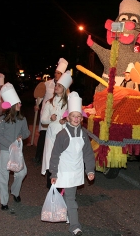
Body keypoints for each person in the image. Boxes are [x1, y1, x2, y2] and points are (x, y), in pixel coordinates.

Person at [49, 91, 95, 236]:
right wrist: (54, 173)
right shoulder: (62, 135)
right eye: (73, 116)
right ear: (68, 117)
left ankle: (66, 211)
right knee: (71, 199)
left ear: (82, 118)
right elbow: (55, 155)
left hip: (76, 171)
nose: (76, 119)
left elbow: (87, 153)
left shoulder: (84, 134)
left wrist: (90, 170)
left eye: (78, 116)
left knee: (69, 197)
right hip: (65, 171)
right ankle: (75, 226)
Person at [0, 82, 30, 210]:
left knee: (21, 173)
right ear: (12, 105)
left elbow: (27, 133)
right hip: (5, 151)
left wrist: (22, 136)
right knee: (3, 176)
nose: (20, 105)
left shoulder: (22, 119)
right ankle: (4, 201)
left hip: (17, 152)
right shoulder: (2, 119)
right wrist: (11, 145)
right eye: (18, 103)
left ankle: (15, 191)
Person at [33, 58, 68, 164]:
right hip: (46, 114)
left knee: (55, 139)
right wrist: (37, 105)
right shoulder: (47, 84)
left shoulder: (65, 87)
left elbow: (67, 100)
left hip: (58, 117)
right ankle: (38, 157)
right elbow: (39, 96)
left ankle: (54, 159)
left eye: (59, 73)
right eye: (56, 73)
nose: (57, 75)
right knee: (43, 136)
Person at [41, 70, 72, 188]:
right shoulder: (49, 103)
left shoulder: (69, 103)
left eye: (59, 85)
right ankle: (51, 187)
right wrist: (50, 118)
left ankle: (61, 187)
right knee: (50, 160)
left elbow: (74, 117)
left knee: (62, 161)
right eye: (56, 85)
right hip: (51, 136)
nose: (56, 87)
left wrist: (66, 120)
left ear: (64, 88)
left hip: (63, 135)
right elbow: (43, 120)